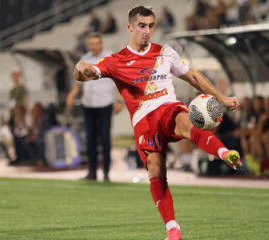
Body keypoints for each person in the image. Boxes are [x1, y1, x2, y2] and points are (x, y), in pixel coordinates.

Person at [74, 6, 240, 240]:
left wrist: (221, 98)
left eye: (151, 26)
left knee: (187, 123)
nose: (147, 31)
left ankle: (224, 152)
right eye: (142, 25)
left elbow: (192, 76)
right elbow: (83, 71)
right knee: (155, 169)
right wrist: (83, 68)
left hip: (168, 108)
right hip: (143, 120)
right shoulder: (116, 61)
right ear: (130, 26)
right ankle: (173, 228)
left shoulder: (165, 52)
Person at [67, 34, 122, 181]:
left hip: (105, 105)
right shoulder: (84, 60)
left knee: (104, 139)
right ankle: (91, 172)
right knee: (90, 139)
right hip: (88, 105)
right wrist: (71, 94)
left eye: (96, 43)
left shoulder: (110, 59)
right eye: (91, 44)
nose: (94, 47)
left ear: (101, 44)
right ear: (88, 45)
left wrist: (119, 101)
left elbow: (119, 81)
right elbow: (78, 82)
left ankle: (105, 173)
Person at [8, 70, 28, 164]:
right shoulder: (12, 90)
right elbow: (10, 104)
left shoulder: (22, 88)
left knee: (22, 136)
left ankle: (24, 156)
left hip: (20, 115)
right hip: (13, 116)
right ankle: (18, 156)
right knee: (15, 137)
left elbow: (25, 101)